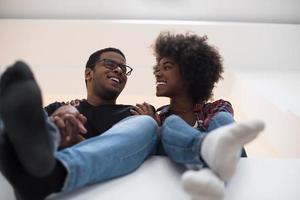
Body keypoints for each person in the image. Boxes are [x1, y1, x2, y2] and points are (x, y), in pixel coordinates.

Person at [0, 48, 158, 200]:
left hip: (63, 177)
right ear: (88, 73)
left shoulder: (133, 114)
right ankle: (31, 143)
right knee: (22, 113)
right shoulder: (59, 108)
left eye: (123, 68)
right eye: (110, 64)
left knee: (146, 124)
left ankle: (52, 169)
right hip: (36, 163)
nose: (119, 70)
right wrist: (56, 121)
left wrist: (74, 140)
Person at [131, 32, 265, 200]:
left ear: (189, 73)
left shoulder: (216, 108)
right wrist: (152, 125)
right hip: (177, 183)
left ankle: (213, 179)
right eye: (157, 69)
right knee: (170, 124)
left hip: (228, 183)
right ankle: (207, 162)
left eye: (166, 67)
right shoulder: (161, 117)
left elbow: (222, 123)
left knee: (222, 120)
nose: (157, 73)